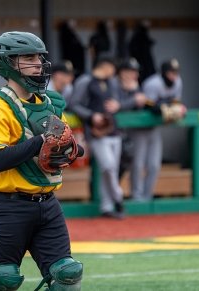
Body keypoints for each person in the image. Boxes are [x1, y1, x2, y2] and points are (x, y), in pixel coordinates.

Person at [0, 32, 83, 291]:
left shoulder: (51, 104)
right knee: (4, 280)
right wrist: (40, 142)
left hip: (48, 205)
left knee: (68, 276)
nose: (38, 62)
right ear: (8, 63)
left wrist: (71, 148)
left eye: (39, 57)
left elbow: (72, 149)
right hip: (8, 206)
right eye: (28, 57)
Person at [69, 56, 124, 219]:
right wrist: (92, 115)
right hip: (96, 132)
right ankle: (118, 198)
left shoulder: (112, 82)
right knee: (108, 166)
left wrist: (117, 105)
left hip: (113, 129)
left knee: (110, 169)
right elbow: (74, 104)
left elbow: (119, 101)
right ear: (106, 66)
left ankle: (107, 206)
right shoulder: (85, 81)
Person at [131, 58, 183, 201]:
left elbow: (176, 102)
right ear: (164, 73)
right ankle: (137, 196)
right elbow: (147, 106)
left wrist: (176, 110)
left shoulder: (178, 82)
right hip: (139, 127)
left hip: (154, 128)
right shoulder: (153, 84)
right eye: (171, 73)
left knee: (154, 165)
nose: (174, 76)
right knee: (138, 164)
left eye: (176, 72)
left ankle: (147, 197)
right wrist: (163, 108)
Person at [115, 58, 147, 180]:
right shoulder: (113, 84)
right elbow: (114, 106)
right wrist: (133, 99)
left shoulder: (137, 87)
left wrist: (134, 92)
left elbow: (141, 108)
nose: (136, 75)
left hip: (129, 132)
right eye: (132, 71)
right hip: (110, 131)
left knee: (128, 159)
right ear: (123, 72)